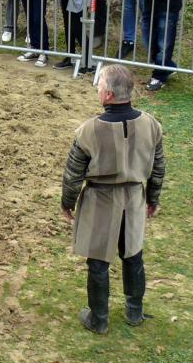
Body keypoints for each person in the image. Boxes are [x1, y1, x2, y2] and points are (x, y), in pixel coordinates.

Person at [62, 64, 165, 333]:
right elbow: (158, 167)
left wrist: (67, 201)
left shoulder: (87, 131)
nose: (97, 90)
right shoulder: (151, 124)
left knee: (98, 260)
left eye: (99, 86)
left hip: (100, 199)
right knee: (133, 254)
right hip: (134, 197)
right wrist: (153, 197)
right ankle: (134, 312)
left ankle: (99, 319)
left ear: (108, 95)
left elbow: (73, 173)